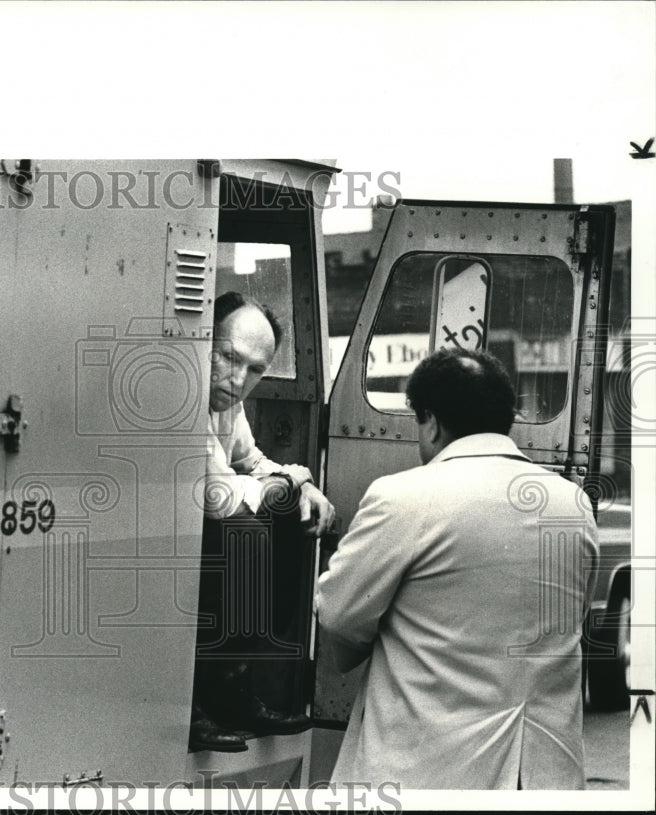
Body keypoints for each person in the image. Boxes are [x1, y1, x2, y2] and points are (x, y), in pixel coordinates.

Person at [315, 348, 598, 789]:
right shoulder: (573, 504)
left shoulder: (404, 496)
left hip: (430, 772)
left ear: (431, 420)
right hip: (545, 775)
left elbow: (339, 612)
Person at [190, 291, 335, 753]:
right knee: (247, 530)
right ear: (200, 340)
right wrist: (286, 488)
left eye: (255, 370)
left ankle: (232, 686)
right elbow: (216, 498)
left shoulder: (224, 399)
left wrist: (301, 484)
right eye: (228, 358)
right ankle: (194, 697)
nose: (238, 380)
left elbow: (250, 462)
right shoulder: (180, 391)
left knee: (286, 518)